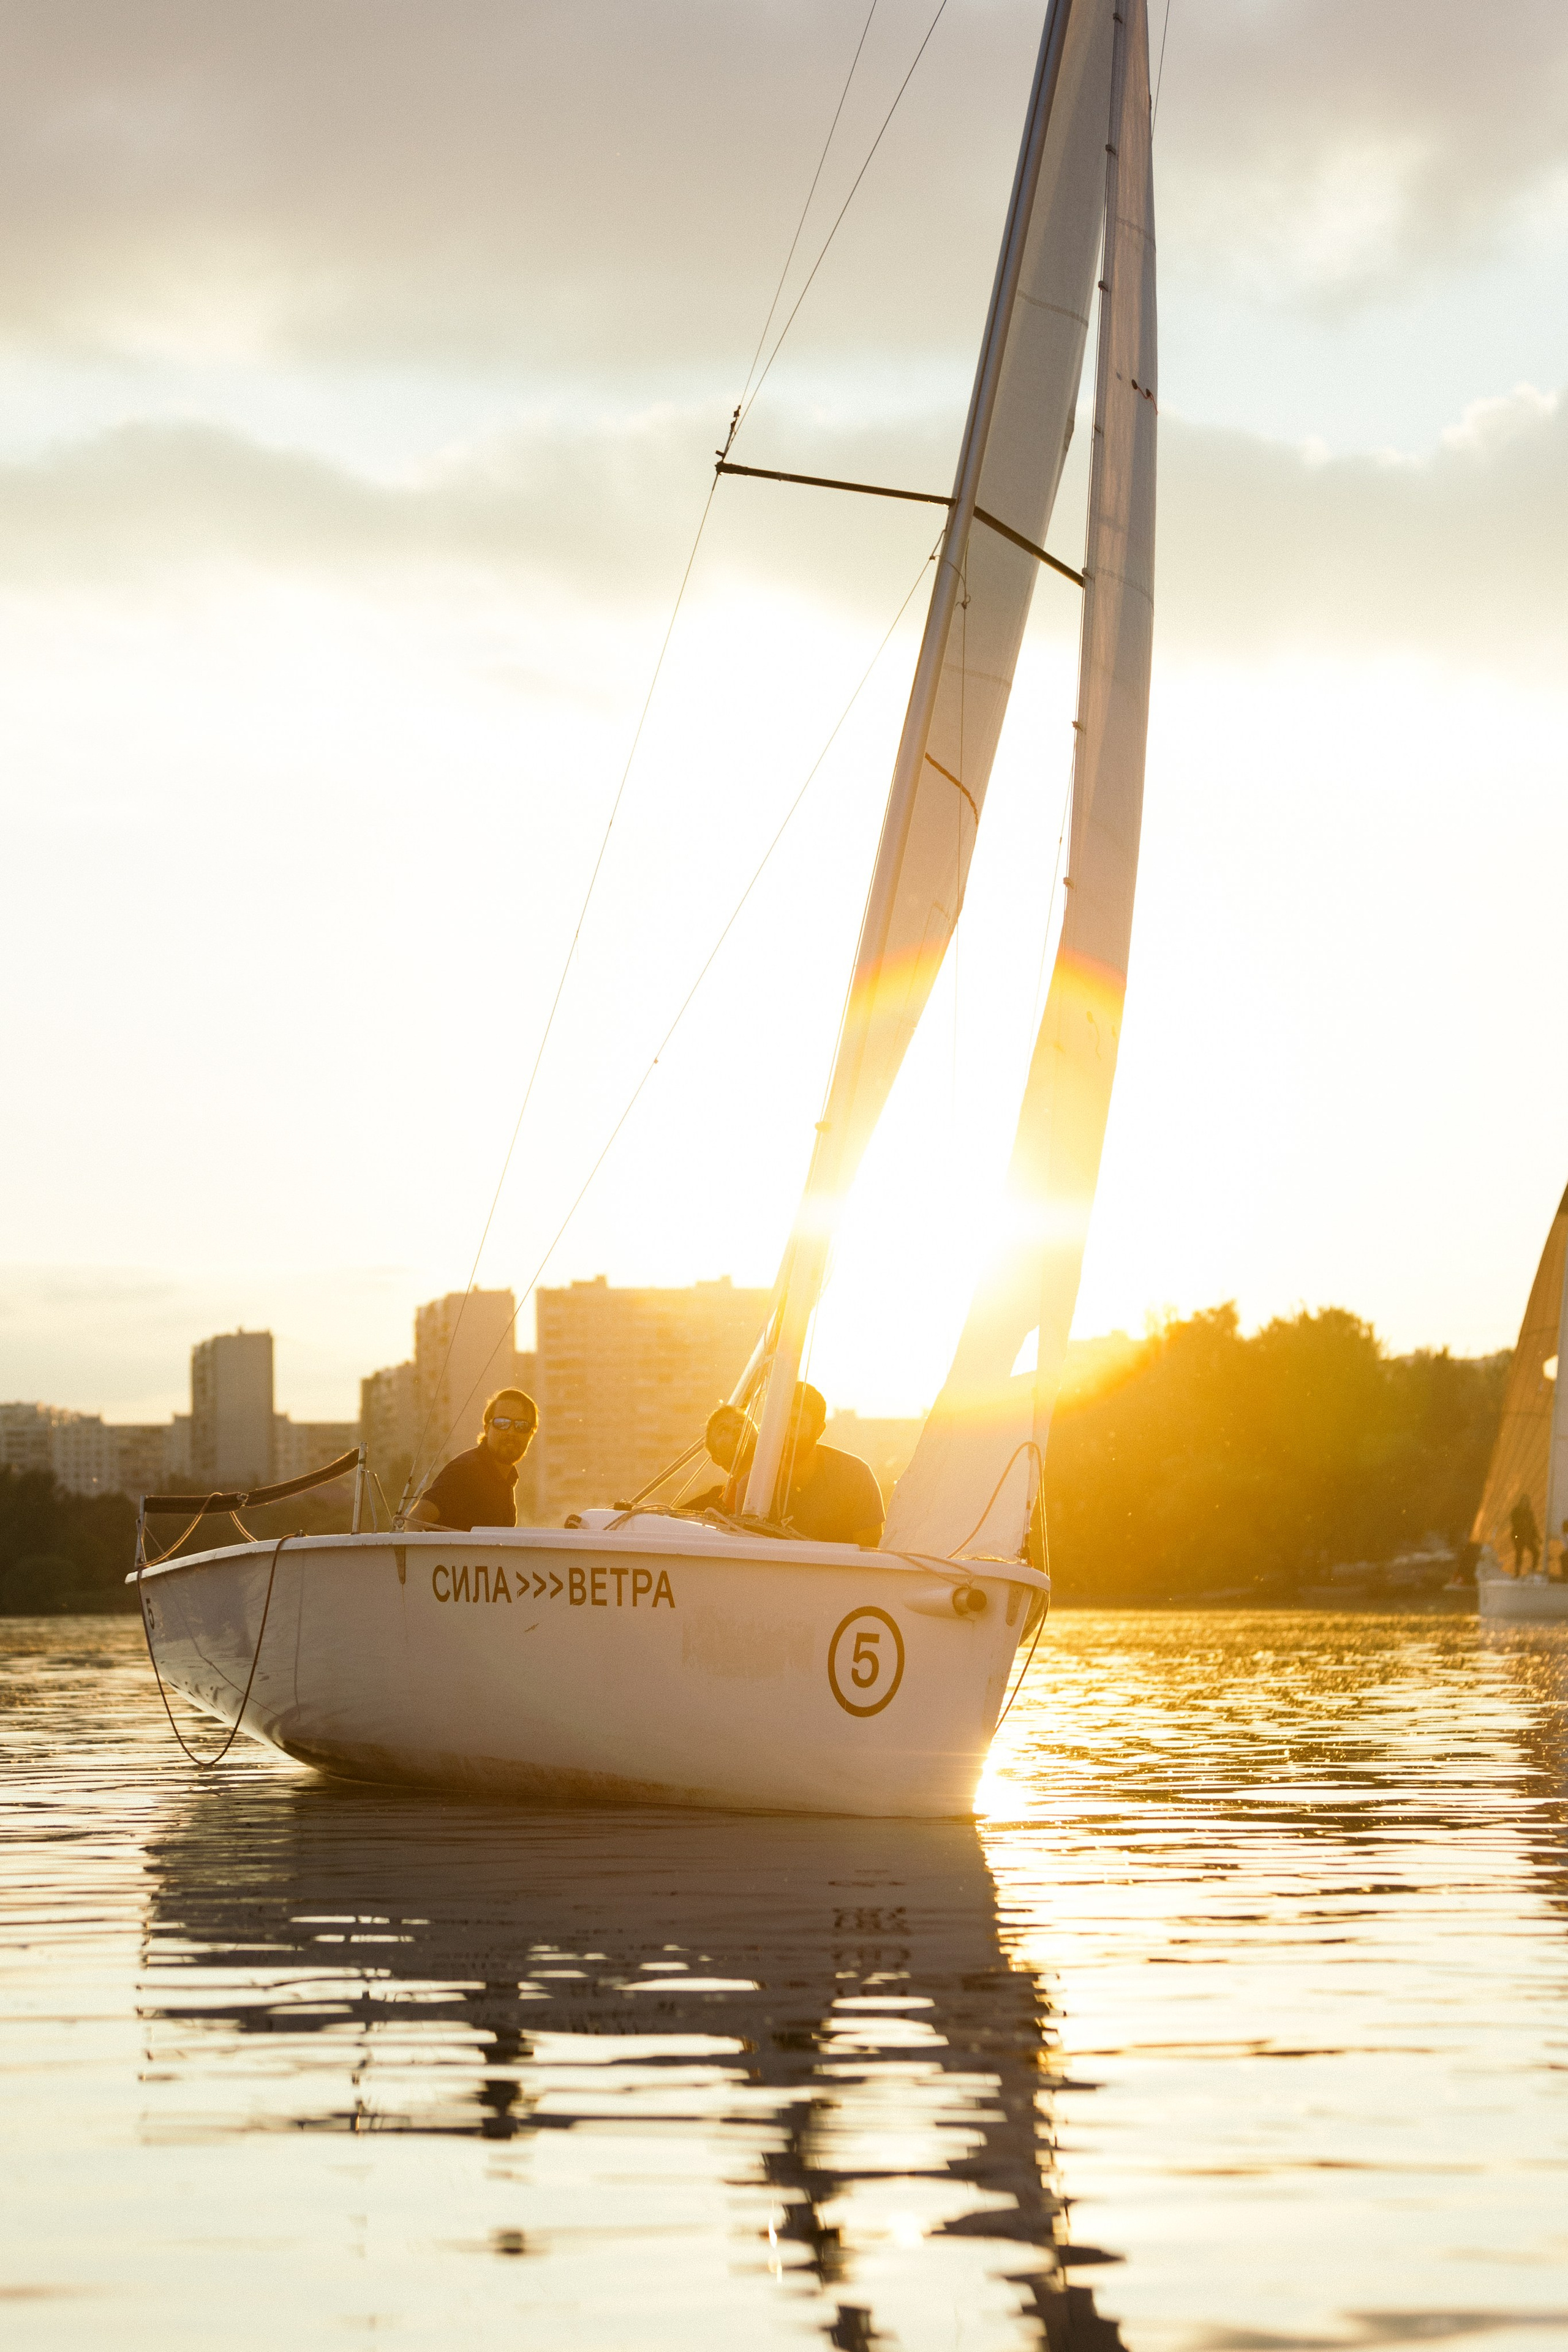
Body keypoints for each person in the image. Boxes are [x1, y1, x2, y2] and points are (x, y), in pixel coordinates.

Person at [688, 1384, 883, 1547]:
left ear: (819, 1430)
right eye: (779, 1421)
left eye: (796, 1422)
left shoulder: (854, 1475)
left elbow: (871, 1555)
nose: (785, 1431)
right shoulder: (753, 1484)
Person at [413, 1388, 537, 1531]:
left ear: (531, 1433)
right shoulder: (466, 1470)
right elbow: (414, 1522)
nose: (511, 1432)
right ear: (487, 1428)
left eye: (521, 1426)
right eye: (502, 1423)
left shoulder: (507, 1479)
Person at [1509, 1493, 1542, 1576]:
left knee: (1536, 1553)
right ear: (1521, 1502)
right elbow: (1514, 1523)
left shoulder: (1529, 1513)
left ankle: (1533, 1571)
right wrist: (1522, 1523)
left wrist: (1538, 1537)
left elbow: (1533, 1526)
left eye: (1526, 1502)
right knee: (1519, 1553)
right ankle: (1517, 1573)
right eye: (1524, 1502)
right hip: (1518, 1536)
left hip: (1527, 1537)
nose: (1525, 1504)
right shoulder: (1516, 1511)